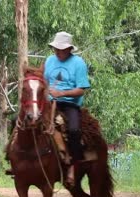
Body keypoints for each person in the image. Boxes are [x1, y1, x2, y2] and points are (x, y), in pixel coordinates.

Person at [44, 31, 91, 187]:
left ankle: (72, 165)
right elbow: (44, 82)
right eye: (56, 49)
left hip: (70, 103)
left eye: (61, 49)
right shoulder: (49, 61)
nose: (57, 52)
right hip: (49, 102)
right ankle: (16, 159)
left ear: (69, 49)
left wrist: (61, 93)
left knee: (74, 131)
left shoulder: (78, 63)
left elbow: (81, 89)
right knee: (20, 120)